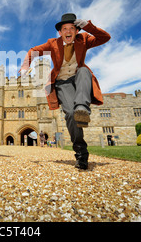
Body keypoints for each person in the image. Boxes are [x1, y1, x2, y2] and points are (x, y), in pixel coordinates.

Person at [20, 13, 111, 170]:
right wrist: (25, 66)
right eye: (64, 29)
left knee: (83, 70)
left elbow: (105, 37)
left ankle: (82, 107)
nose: (68, 32)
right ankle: (81, 153)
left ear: (76, 31)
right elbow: (33, 50)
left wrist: (89, 27)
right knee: (70, 114)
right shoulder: (53, 43)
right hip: (62, 82)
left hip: (79, 78)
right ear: (60, 32)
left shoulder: (84, 39)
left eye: (71, 28)